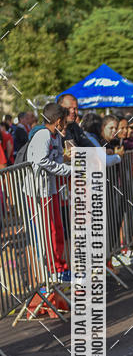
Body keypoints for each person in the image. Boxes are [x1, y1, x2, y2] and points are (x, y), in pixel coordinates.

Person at [25, 103, 71, 281]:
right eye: (64, 122)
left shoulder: (56, 136)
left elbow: (57, 158)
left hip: (51, 188)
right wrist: (67, 170)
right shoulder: (43, 134)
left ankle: (60, 265)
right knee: (48, 230)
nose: (65, 125)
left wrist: (65, 165)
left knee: (58, 227)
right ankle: (52, 268)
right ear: (58, 121)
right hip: (38, 191)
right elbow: (41, 160)